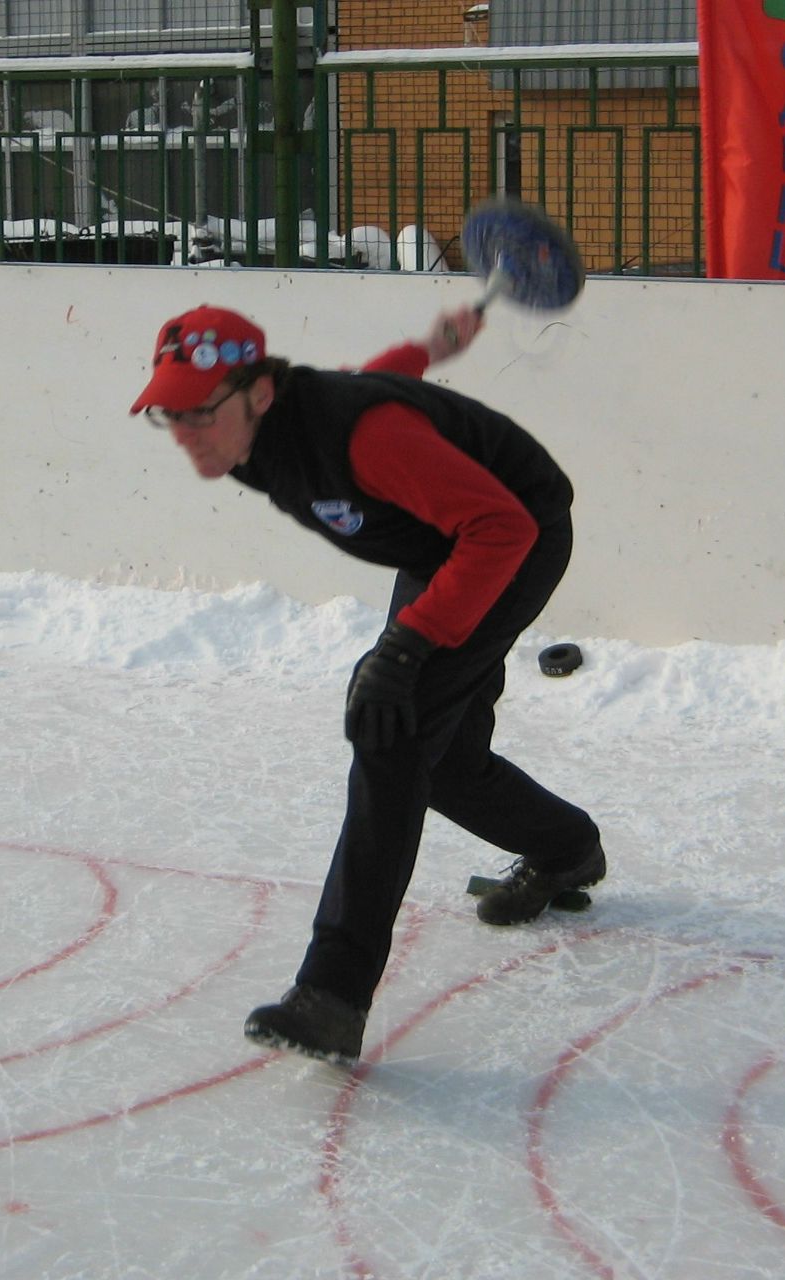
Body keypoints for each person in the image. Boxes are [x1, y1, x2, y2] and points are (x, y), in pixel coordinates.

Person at [129, 301, 605, 1066]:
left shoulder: (361, 436)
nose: (186, 435)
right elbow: (374, 383)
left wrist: (410, 644)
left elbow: (500, 527)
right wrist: (426, 348)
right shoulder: (272, 425)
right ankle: (566, 848)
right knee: (436, 756)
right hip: (442, 537)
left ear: (258, 390)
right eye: (171, 416)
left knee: (392, 727)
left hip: (510, 535)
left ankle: (332, 994)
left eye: (199, 412)